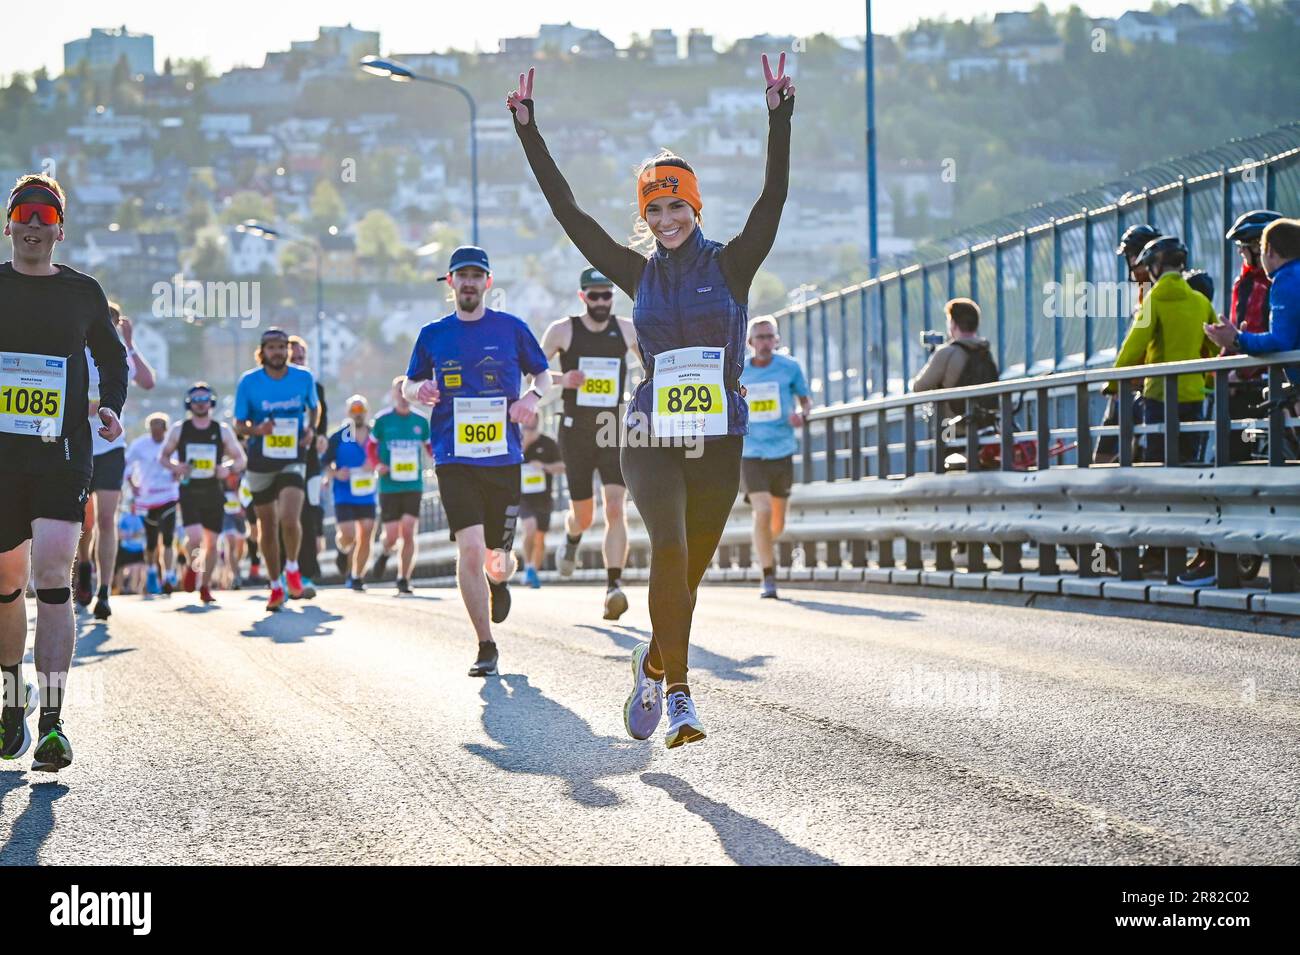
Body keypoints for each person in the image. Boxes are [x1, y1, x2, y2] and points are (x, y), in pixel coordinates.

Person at [509, 51, 794, 747]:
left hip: (719, 438)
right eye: (655, 209)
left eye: (676, 206)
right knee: (666, 547)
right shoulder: (638, 275)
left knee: (688, 573)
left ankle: (653, 658)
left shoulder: (732, 263)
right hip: (649, 438)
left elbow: (773, 198)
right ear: (646, 215)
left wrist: (780, 118)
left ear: (694, 207)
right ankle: (680, 696)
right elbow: (568, 213)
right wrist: (528, 133)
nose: (666, 218)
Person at [0, 173, 127, 771]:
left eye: (44, 216)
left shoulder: (83, 293)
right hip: (1, 457)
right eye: (23, 213)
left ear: (59, 230)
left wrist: (110, 407)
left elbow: (111, 354)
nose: (32, 224)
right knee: (5, 584)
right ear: (8, 224)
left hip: (61, 450)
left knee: (52, 573)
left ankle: (51, 722)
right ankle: (9, 705)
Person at [402, 245, 551, 677]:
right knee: (469, 549)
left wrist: (531, 398)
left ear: (487, 282)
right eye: (460, 276)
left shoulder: (511, 329)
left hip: (503, 455)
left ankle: (499, 582)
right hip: (453, 456)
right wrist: (419, 393)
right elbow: (409, 384)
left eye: (476, 275)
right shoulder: (433, 334)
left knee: (497, 558)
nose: (468, 282)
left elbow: (542, 374)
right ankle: (486, 644)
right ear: (450, 284)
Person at [539, 266, 640, 619]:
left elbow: (653, 366)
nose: (601, 301)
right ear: (583, 297)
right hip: (575, 431)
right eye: (594, 295)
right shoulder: (563, 330)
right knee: (584, 514)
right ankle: (572, 537)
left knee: (615, 507)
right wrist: (563, 378)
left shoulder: (626, 328)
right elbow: (531, 373)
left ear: (613, 296)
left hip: (611, 427)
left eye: (607, 295)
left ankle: (614, 585)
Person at [77, 303, 156, 614]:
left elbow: (148, 382)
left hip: (111, 448)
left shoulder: (121, 353)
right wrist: (92, 406)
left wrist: (132, 343)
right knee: (83, 522)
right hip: (80, 445)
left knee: (108, 519)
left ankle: (105, 591)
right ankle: (83, 568)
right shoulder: (78, 351)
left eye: (113, 325)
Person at [234, 327, 319, 611]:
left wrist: (310, 429)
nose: (278, 352)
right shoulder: (248, 382)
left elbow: (314, 409)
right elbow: (239, 425)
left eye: (282, 347)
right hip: (260, 461)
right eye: (272, 347)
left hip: (292, 456)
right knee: (266, 528)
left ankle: (292, 567)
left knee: (289, 517)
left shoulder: (303, 377)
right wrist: (259, 429)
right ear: (262, 352)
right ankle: (274, 586)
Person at [1115, 236, 1217, 465]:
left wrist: (1113, 382)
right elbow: (1216, 345)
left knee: (1158, 459)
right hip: (1193, 393)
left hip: (1159, 395)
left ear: (1155, 267)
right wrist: (1209, 383)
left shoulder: (1153, 300)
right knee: (1189, 459)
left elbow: (1133, 346)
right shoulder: (1200, 301)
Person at [739, 316, 811, 599]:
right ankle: (768, 576)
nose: (765, 343)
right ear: (750, 342)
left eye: (770, 337)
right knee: (763, 510)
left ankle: (765, 545)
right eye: (760, 337)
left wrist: (802, 415)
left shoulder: (790, 367)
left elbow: (806, 401)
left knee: (777, 524)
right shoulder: (739, 370)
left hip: (781, 450)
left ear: (777, 340)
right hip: (751, 451)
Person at [158, 383, 246, 604]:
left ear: (211, 401)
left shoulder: (221, 430)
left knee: (213, 543)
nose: (200, 403)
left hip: (213, 491)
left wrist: (226, 469)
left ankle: (204, 587)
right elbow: (163, 457)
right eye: (195, 399)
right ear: (189, 402)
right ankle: (191, 565)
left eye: (204, 398)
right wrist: (176, 467)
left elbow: (241, 459)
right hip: (189, 489)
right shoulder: (180, 428)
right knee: (195, 538)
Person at [1095, 224, 1162, 465]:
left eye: (1131, 256)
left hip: (1148, 388)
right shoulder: (1146, 291)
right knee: (1114, 449)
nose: (1130, 262)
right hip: (1139, 385)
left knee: (1132, 453)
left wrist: (1116, 381)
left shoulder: (1157, 293)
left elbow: (1136, 346)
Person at [368, 376, 431, 595]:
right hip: (389, 485)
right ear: (394, 395)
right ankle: (385, 552)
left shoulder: (421, 422)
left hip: (413, 483)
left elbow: (430, 448)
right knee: (392, 535)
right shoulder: (383, 420)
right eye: (399, 392)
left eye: (406, 393)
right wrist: (377, 464)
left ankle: (404, 578)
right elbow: (370, 447)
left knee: (408, 531)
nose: (403, 397)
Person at [909, 297, 998, 422]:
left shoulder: (946, 353)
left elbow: (919, 387)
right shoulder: (985, 350)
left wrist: (934, 356)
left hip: (954, 429)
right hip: (986, 424)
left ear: (953, 324)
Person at [323, 394, 378, 591]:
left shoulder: (375, 435)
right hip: (344, 493)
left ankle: (356, 576)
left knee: (366, 533)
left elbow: (385, 458)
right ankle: (342, 547)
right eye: (354, 411)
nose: (358, 414)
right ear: (348, 413)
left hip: (367, 493)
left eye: (361, 410)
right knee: (348, 535)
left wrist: (374, 464)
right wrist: (336, 473)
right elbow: (325, 463)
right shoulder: (338, 437)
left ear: (366, 412)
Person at [126, 413, 180, 605]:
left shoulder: (173, 444)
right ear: (149, 428)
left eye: (161, 426)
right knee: (150, 542)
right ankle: (151, 572)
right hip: (147, 499)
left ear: (166, 429)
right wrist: (133, 485)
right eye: (154, 426)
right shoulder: (139, 445)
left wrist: (178, 476)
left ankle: (169, 575)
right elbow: (126, 465)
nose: (157, 430)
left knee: (168, 539)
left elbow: (181, 466)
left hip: (169, 496)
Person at [289, 335, 327, 589]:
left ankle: (308, 572)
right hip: (281, 459)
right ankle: (284, 568)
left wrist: (321, 435)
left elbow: (321, 418)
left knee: (310, 511)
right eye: (295, 358)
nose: (299, 361)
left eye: (302, 357)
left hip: (310, 460)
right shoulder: (277, 387)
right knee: (285, 514)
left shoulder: (316, 386)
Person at [517, 416, 564, 588]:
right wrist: (525, 446)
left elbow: (562, 467)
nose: (529, 424)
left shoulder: (548, 443)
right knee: (529, 526)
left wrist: (543, 467)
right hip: (523, 496)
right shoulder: (516, 440)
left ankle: (533, 571)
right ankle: (528, 566)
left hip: (543, 497)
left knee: (540, 536)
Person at [112, 495, 148, 595]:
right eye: (133, 504)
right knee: (120, 568)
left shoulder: (142, 517)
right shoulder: (124, 517)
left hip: (139, 548)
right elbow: (118, 533)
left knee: (139, 568)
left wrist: (135, 534)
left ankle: (135, 589)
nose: (134, 506)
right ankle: (120, 589)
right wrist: (132, 535)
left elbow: (144, 532)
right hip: (126, 547)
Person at [220, 468, 248, 590]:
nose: (233, 478)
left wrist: (243, 506)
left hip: (240, 517)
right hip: (226, 517)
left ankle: (236, 566)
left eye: (235, 475)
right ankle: (236, 576)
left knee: (240, 547)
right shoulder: (220, 483)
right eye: (230, 475)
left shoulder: (243, 482)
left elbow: (248, 499)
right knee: (230, 545)